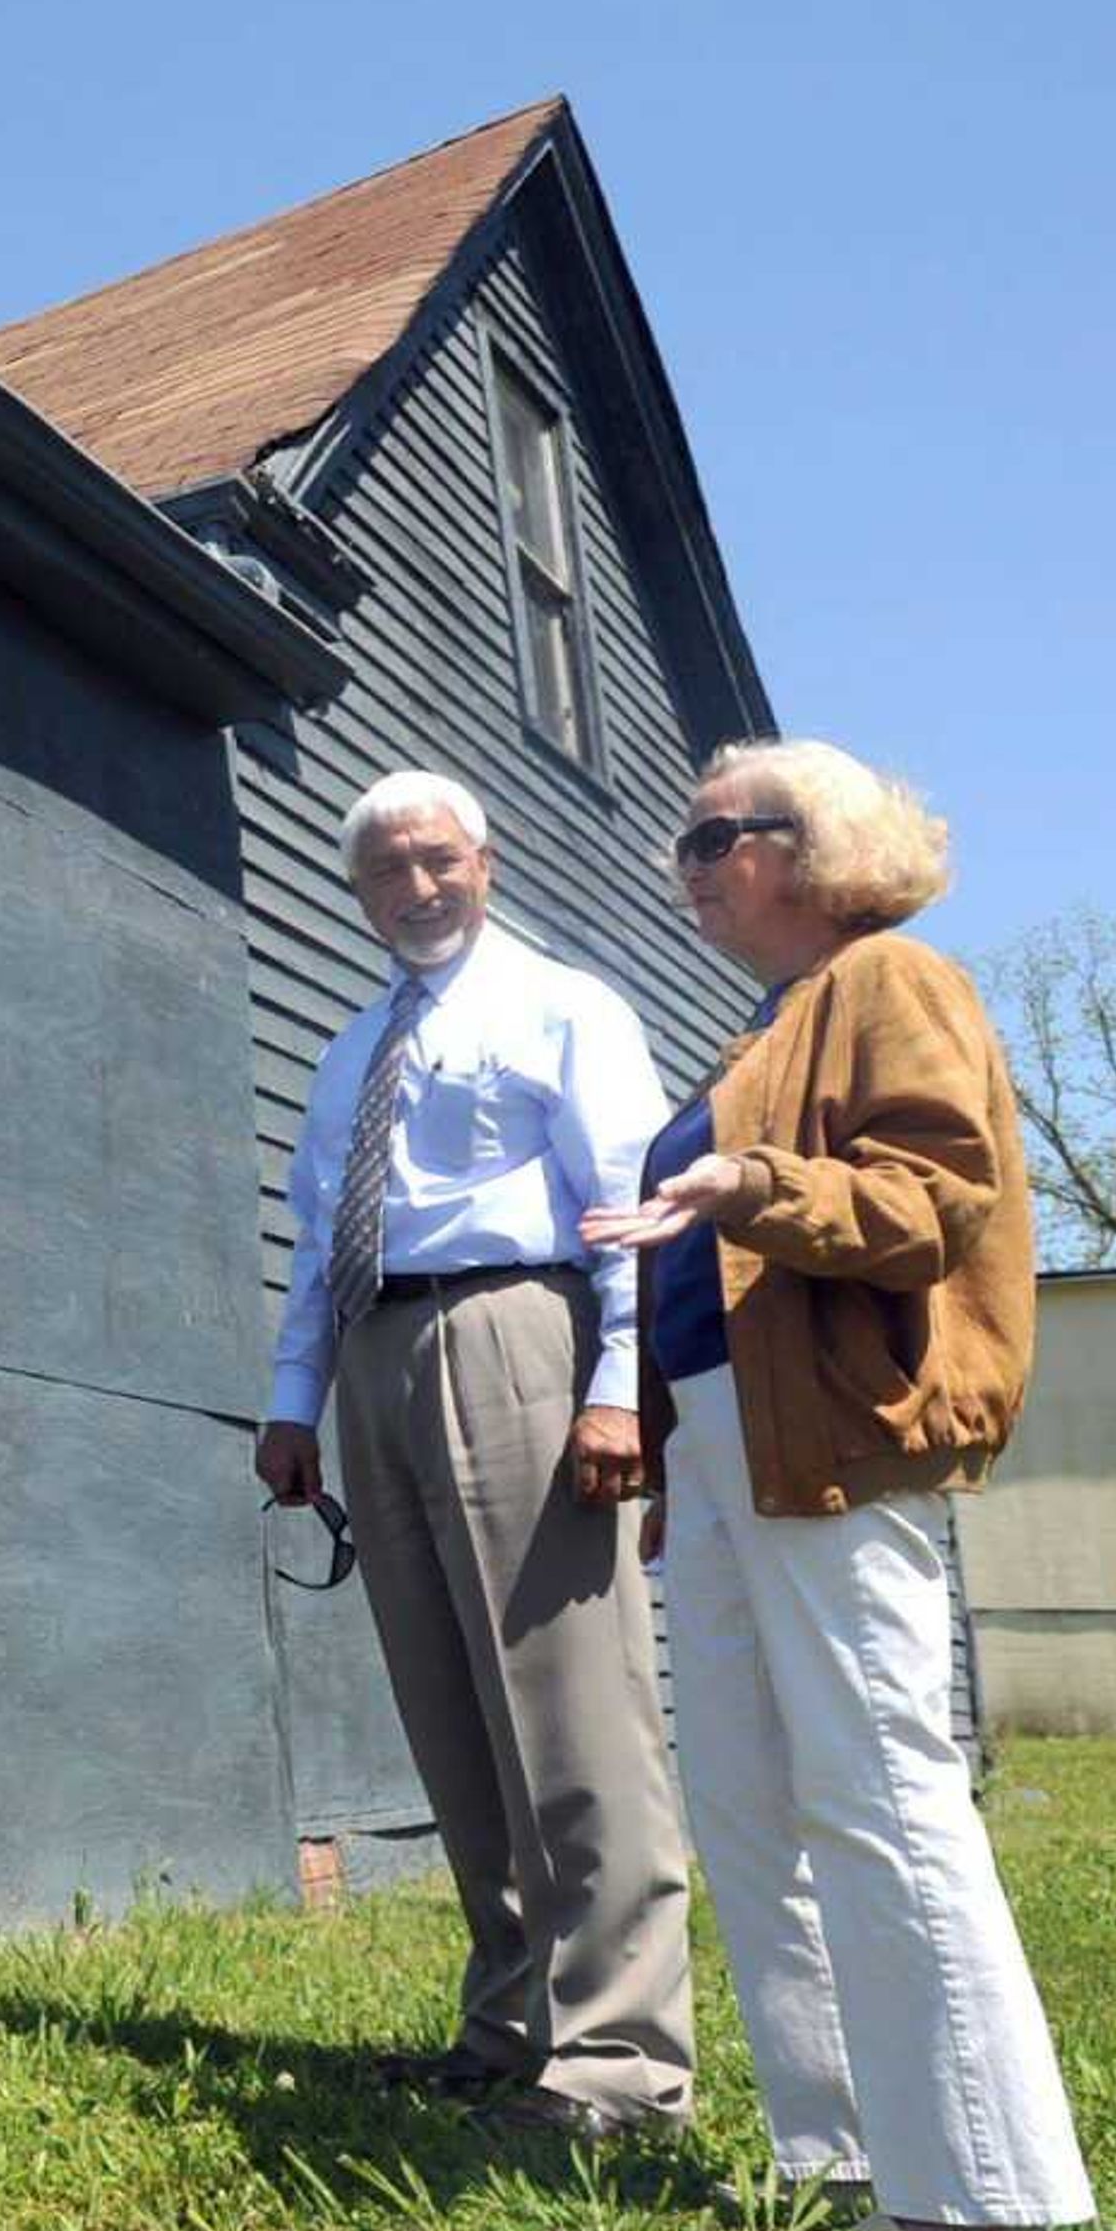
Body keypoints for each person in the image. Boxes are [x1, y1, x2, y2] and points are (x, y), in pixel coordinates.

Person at [581, 739, 1091, 2231]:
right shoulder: (767, 1024)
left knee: (879, 1788)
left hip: (830, 1443)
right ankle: (850, 2155)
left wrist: (751, 1186)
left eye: (708, 836)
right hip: (731, 1452)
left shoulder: (891, 983)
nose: (685, 865)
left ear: (807, 850)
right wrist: (671, 1452)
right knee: (749, 1800)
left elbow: (939, 1205)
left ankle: (988, 2204)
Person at [255, 769, 696, 2142]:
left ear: (486, 862)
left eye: (436, 861)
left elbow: (628, 1206)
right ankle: (510, 2022)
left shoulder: (568, 1006)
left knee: (569, 1700)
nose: (415, 889)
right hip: (377, 1358)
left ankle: (620, 2058)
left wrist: (620, 1391)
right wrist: (295, 1397)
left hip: (521, 1334)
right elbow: (323, 1231)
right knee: (447, 1701)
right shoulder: (350, 1050)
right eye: (385, 872)